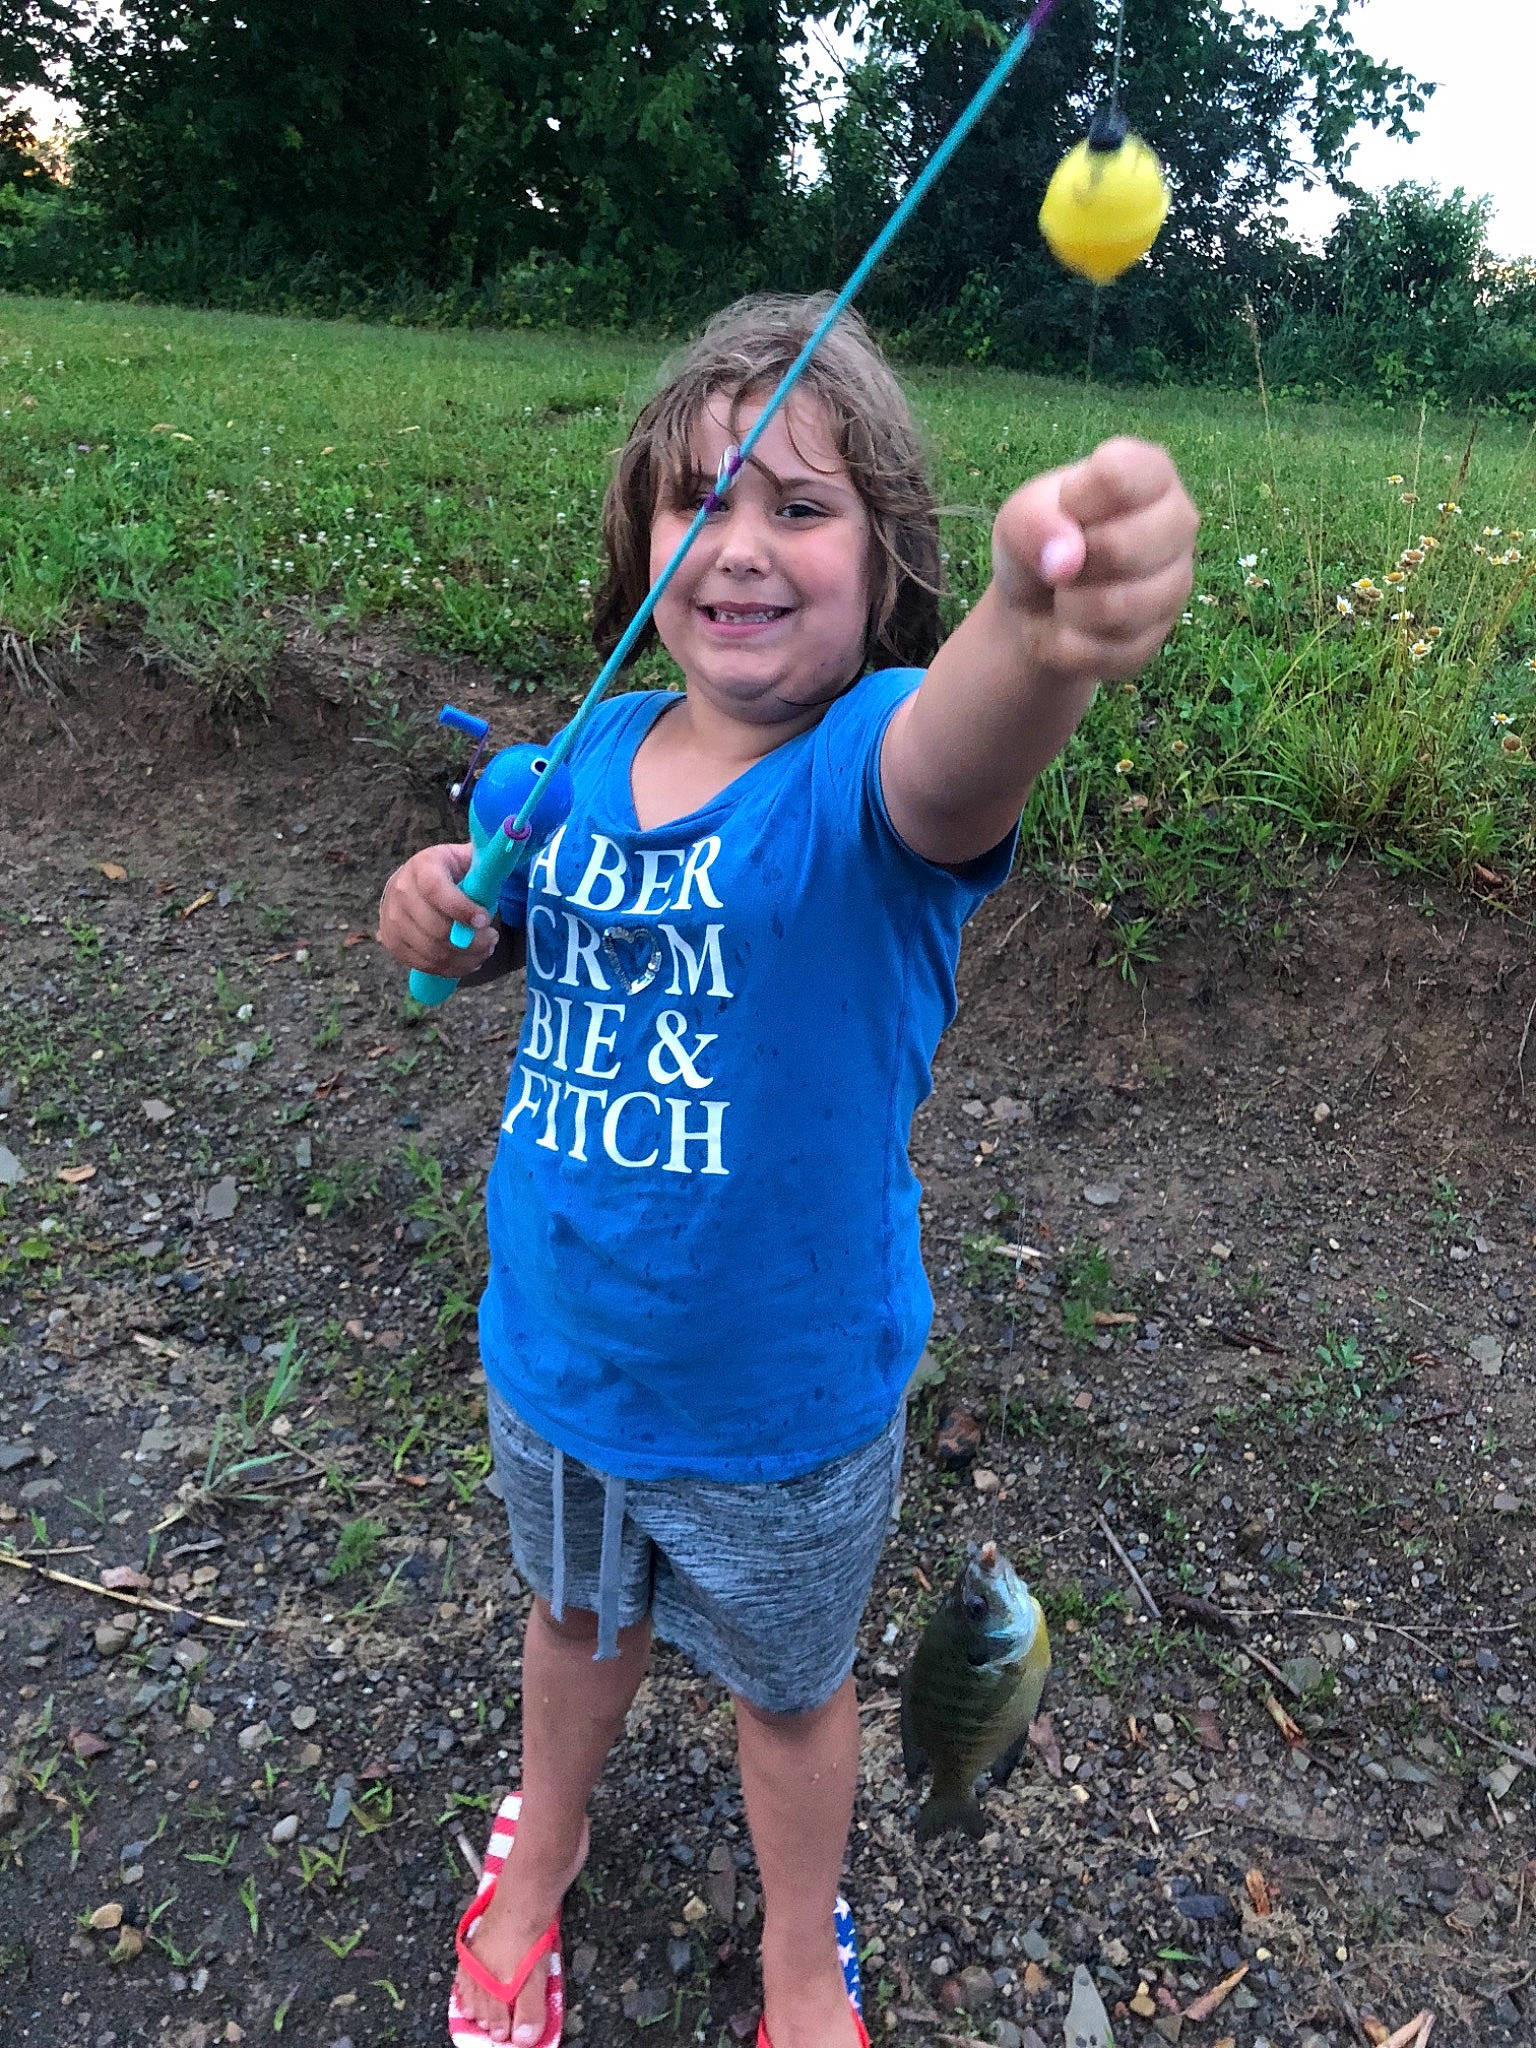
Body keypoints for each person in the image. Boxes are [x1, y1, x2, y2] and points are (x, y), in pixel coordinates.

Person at [377, 292, 1198, 2048]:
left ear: (884, 551)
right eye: (700, 501)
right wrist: (434, 909)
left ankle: (799, 1958)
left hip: (786, 1414)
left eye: (800, 508)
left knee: (790, 1694)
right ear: (643, 533)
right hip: (563, 1365)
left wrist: (1036, 626)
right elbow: (472, 940)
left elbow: (963, 746)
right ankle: (543, 1853)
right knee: (575, 1623)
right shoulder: (573, 761)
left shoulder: (869, 777)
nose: (741, 546)